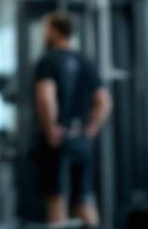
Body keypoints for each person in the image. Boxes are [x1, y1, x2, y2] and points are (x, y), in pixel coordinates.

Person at [32, 12, 112, 227]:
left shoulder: (48, 60)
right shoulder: (85, 61)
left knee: (57, 199)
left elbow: (46, 97)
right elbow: (104, 101)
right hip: (81, 139)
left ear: (55, 31)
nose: (44, 33)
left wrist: (50, 128)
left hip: (58, 138)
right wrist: (91, 129)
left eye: (46, 29)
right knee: (84, 199)